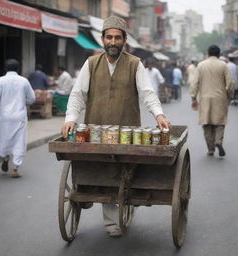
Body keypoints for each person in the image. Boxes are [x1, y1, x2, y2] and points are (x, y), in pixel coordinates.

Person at [61, 16, 170, 237]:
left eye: (117, 38)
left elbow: (148, 93)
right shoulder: (91, 64)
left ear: (124, 40)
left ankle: (128, 202)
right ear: (102, 39)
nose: (113, 42)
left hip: (126, 132)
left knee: (124, 172)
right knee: (103, 172)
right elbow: (78, 94)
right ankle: (111, 222)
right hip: (97, 131)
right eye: (109, 37)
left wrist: (159, 115)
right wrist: (70, 118)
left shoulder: (135, 64)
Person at [0, 59, 35, 177]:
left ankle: (4, 158)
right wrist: (23, 101)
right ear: (18, 68)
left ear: (5, 68)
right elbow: (32, 98)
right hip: (19, 116)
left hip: (4, 116)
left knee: (3, 138)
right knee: (19, 140)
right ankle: (15, 168)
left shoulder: (0, 81)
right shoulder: (24, 81)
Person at [189, 45, 234, 157]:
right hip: (220, 98)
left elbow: (195, 83)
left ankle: (210, 149)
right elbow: (229, 84)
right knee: (219, 122)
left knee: (207, 123)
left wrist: (193, 97)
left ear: (208, 54)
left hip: (205, 98)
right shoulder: (224, 65)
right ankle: (218, 141)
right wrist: (229, 95)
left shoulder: (201, 65)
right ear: (219, 54)